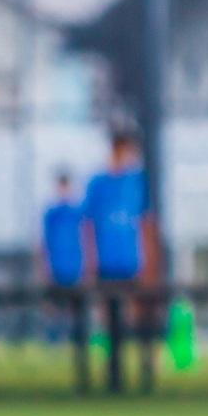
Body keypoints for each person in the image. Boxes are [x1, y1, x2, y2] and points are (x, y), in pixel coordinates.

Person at [78, 125, 160, 323]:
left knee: (140, 313)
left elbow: (146, 223)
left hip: (132, 261)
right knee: (110, 315)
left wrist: (149, 261)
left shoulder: (136, 181)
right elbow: (87, 226)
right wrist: (90, 262)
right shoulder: (97, 183)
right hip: (106, 262)